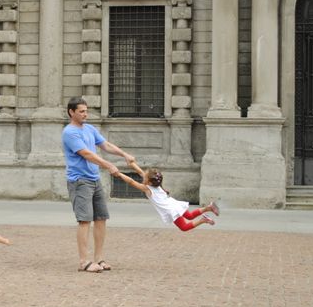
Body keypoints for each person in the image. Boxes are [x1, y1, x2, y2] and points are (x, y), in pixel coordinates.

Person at [62, 96, 136, 273]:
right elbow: (86, 154)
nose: (85, 114)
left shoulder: (89, 128)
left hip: (94, 179)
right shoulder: (69, 132)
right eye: (81, 111)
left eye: (86, 111)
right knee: (84, 220)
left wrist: (124, 155)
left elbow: (106, 145)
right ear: (71, 112)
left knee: (101, 218)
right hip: (80, 181)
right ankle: (84, 262)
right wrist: (108, 165)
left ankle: (99, 259)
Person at [114, 161, 220, 232]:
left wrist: (119, 174)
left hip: (170, 209)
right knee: (190, 216)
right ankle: (208, 208)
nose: (143, 177)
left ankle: (203, 220)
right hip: (173, 204)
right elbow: (141, 172)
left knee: (184, 227)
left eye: (145, 177)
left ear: (149, 182)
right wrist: (132, 164)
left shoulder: (148, 189)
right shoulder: (156, 185)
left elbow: (131, 182)